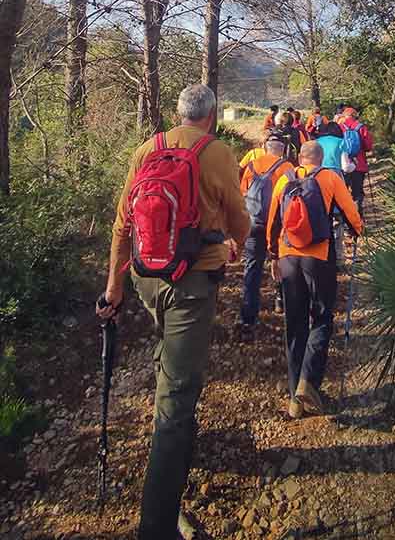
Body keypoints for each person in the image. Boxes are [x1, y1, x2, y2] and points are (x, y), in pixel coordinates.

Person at [96, 84, 251, 540]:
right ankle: (156, 527)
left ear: (178, 114)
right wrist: (234, 241)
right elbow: (240, 219)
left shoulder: (149, 147)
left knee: (172, 359)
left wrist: (113, 287)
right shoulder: (218, 152)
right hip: (191, 285)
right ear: (213, 115)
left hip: (146, 277)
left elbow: (123, 221)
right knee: (176, 401)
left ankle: (181, 444)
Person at [267, 141, 362, 419]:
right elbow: (350, 212)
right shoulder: (330, 177)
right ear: (320, 159)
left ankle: (295, 395)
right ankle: (309, 383)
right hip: (318, 256)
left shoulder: (285, 178)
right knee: (321, 316)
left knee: (294, 323)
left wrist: (274, 254)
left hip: (287, 256)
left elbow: (273, 220)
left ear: (299, 157)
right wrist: (358, 230)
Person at [239, 133, 293, 333]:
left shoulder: (253, 165)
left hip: (253, 223)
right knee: (280, 263)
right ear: (283, 150)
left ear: (266, 147)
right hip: (276, 225)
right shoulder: (287, 168)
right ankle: (281, 302)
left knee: (252, 267)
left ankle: (248, 316)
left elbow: (242, 193)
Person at [316, 121, 347, 264]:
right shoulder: (341, 142)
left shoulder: (316, 142)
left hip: (317, 179)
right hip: (335, 179)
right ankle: (338, 257)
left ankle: (321, 253)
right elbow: (346, 166)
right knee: (337, 217)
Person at [338, 107, 373, 217]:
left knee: (343, 194)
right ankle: (358, 220)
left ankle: (347, 223)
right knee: (357, 193)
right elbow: (368, 146)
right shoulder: (360, 127)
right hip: (359, 164)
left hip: (344, 164)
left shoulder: (339, 128)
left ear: (344, 116)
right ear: (354, 115)